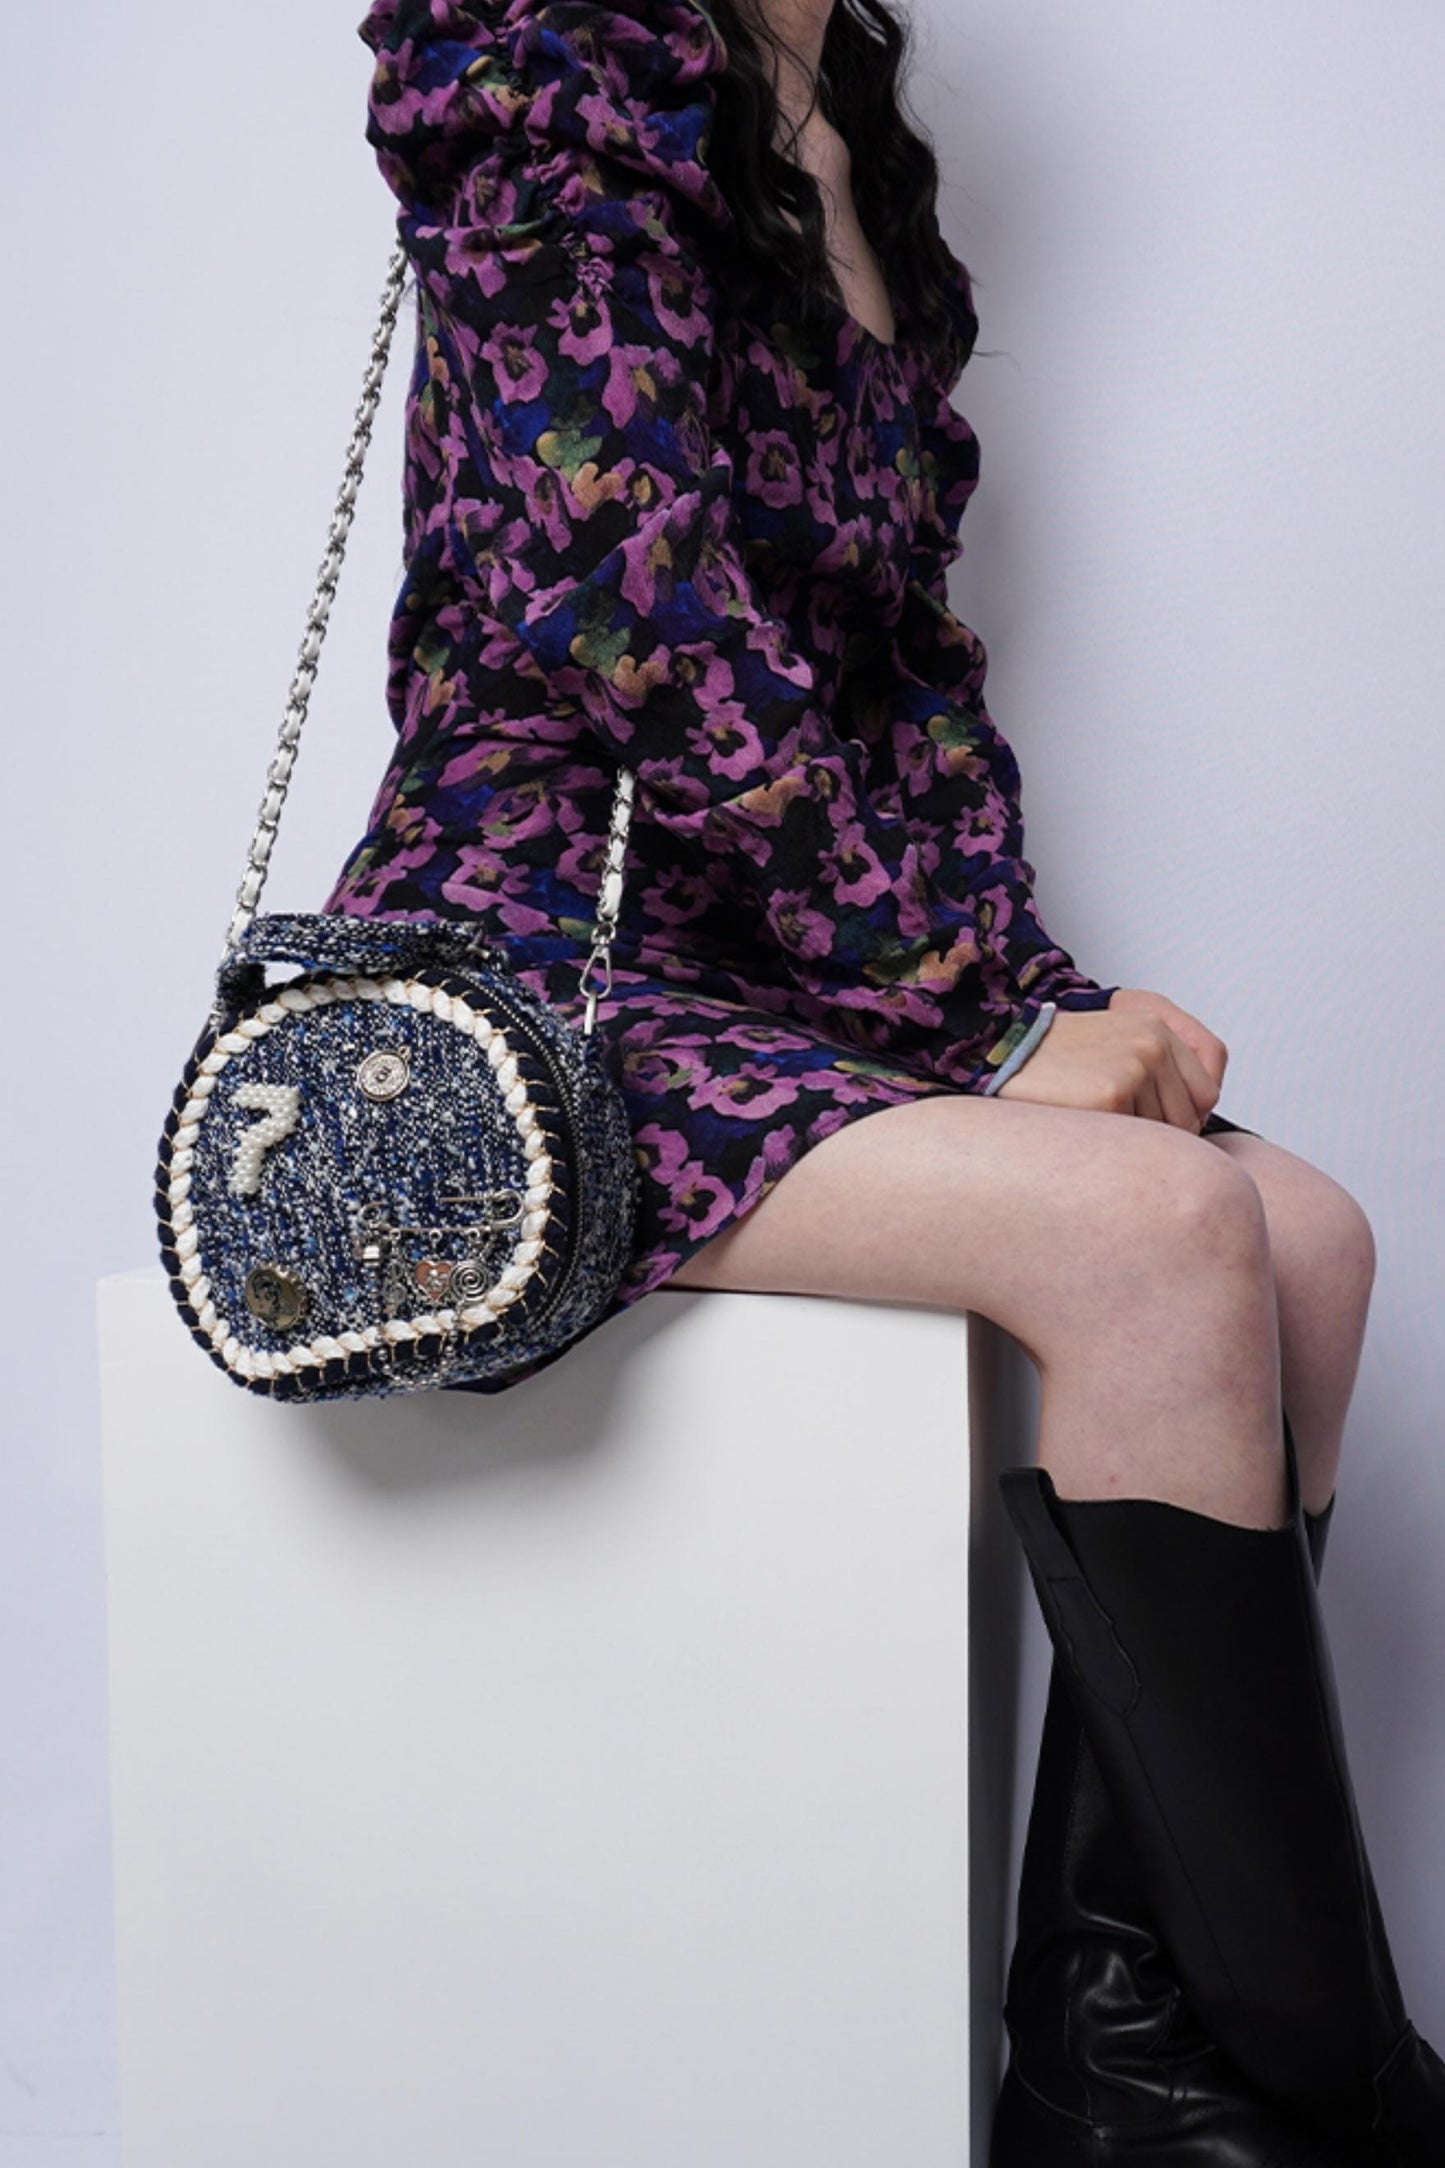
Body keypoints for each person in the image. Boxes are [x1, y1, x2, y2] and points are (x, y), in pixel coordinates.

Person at [324, 0, 1445, 2156]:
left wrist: (1017, 989)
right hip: (546, 958)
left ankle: (1118, 2062)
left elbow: (905, 680)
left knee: (1304, 1239)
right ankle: (1345, 2083)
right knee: (1161, 1233)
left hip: (795, 958)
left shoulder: (837, 139)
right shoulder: (533, 51)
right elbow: (632, 607)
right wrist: (987, 1019)